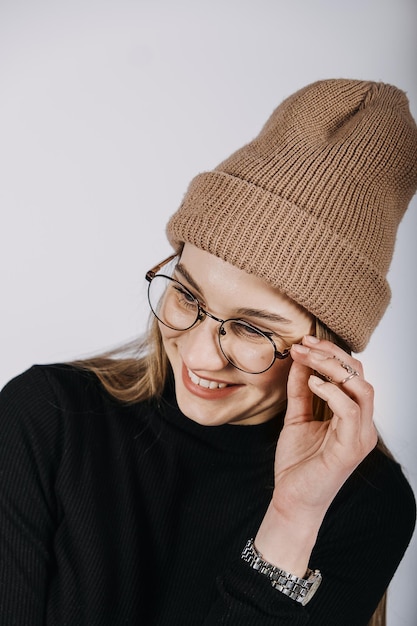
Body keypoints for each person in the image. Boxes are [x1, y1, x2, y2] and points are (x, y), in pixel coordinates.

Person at [0, 79, 416, 626]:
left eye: (249, 329)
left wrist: (292, 519)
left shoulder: (365, 504)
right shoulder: (44, 419)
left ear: (327, 349)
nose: (199, 354)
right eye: (187, 294)